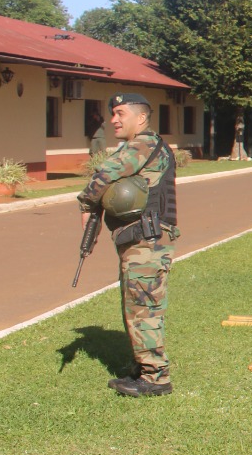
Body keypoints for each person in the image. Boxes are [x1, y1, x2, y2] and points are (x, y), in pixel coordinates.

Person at [76, 92, 179, 397]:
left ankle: (155, 378)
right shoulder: (151, 145)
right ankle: (143, 367)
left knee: (143, 309)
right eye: (113, 113)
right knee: (137, 305)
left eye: (120, 113)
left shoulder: (142, 145)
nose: (113, 120)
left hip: (146, 242)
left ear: (141, 117)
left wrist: (86, 204)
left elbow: (105, 174)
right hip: (144, 239)